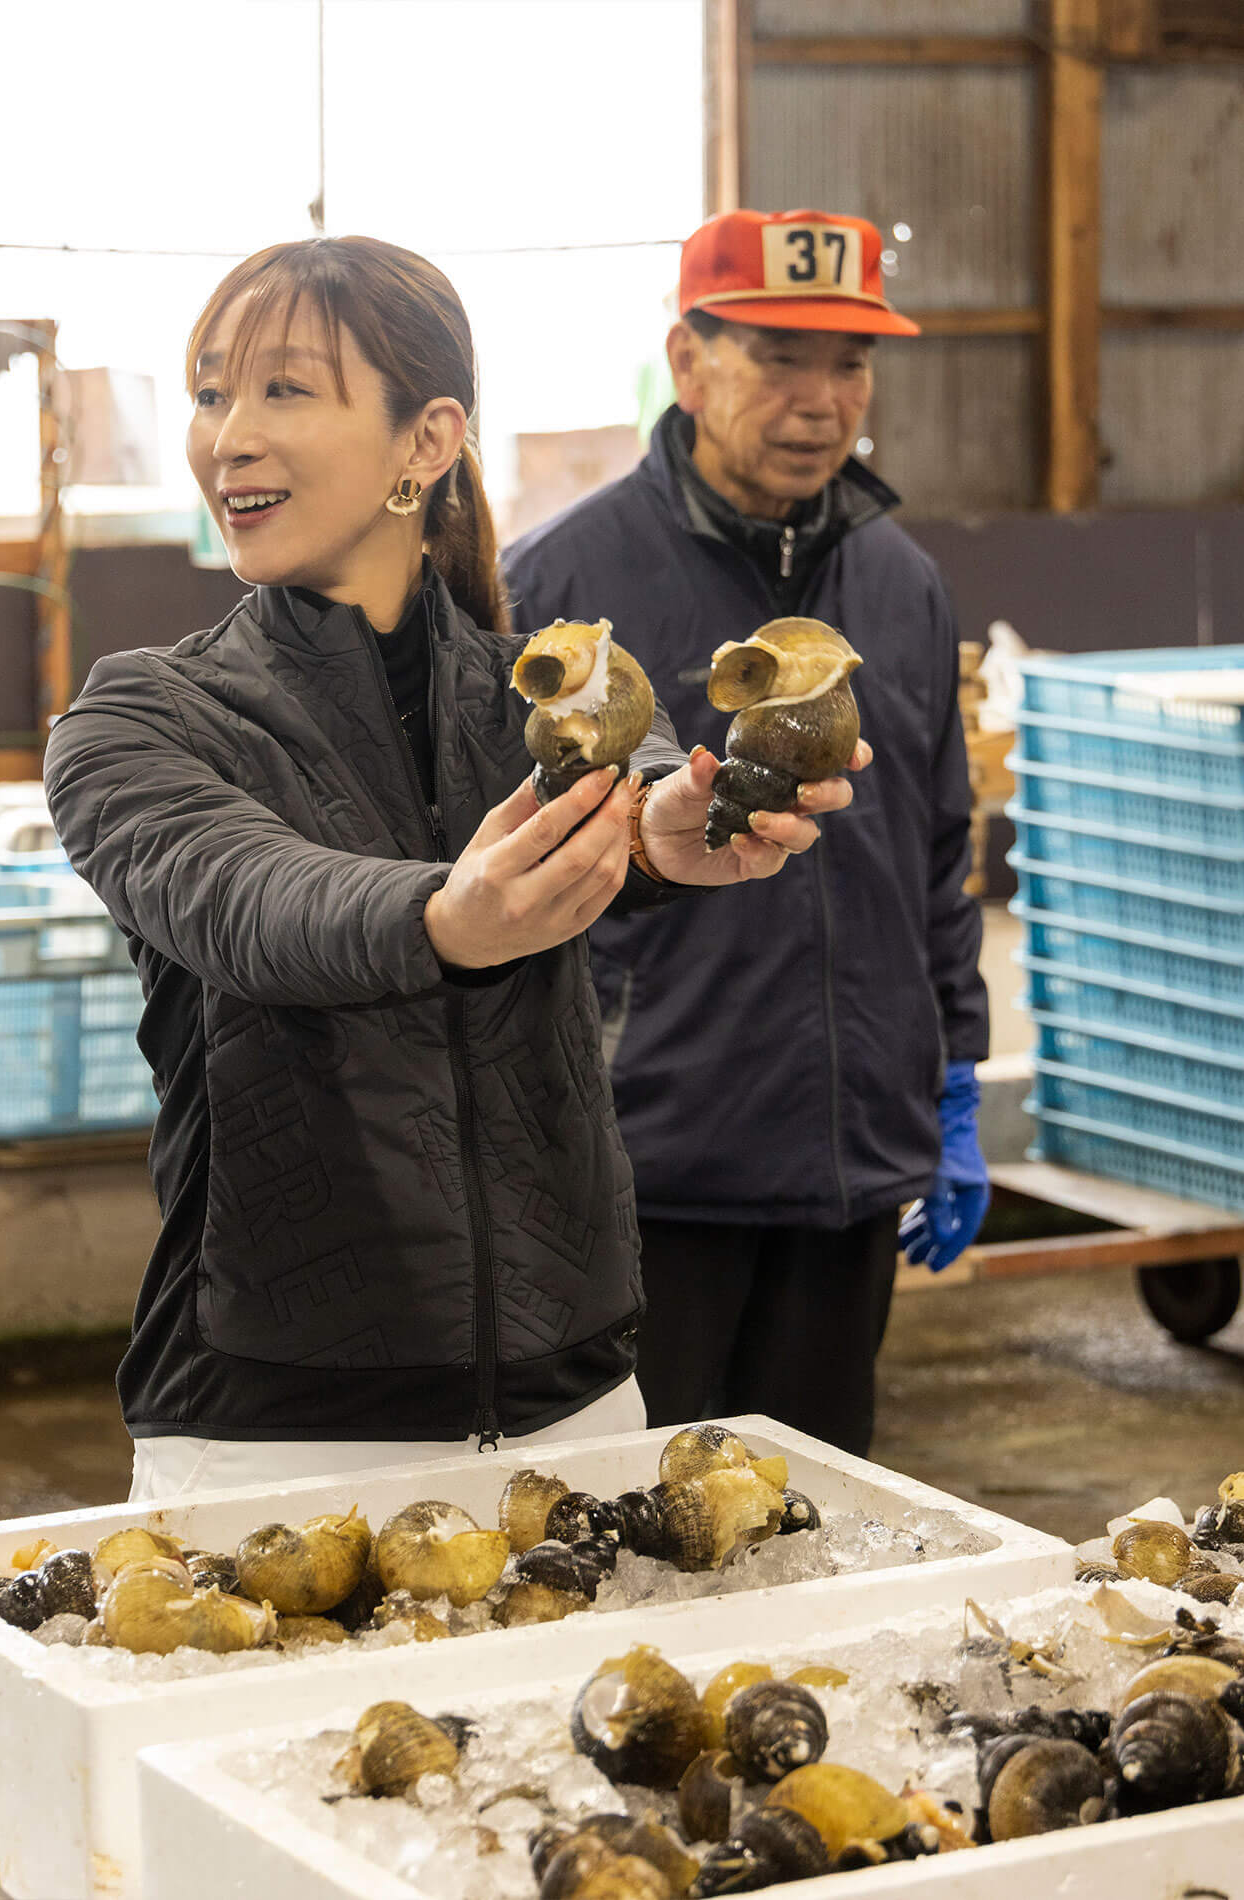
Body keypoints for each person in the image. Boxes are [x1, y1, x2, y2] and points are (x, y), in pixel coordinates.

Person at [43, 235, 868, 1502]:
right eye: (213, 393)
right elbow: (253, 902)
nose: (228, 439)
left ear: (425, 443)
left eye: (284, 391)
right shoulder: (137, 720)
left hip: (578, 1413)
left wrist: (666, 837)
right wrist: (444, 916)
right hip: (269, 1443)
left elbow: (642, 793)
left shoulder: (538, 684)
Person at [504, 208, 990, 1459]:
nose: (820, 401)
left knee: (817, 1528)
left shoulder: (903, 584)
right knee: (633, 1534)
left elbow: (938, 849)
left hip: (851, 1166)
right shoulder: (557, 588)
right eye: (780, 357)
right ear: (688, 360)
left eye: (849, 364)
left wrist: (951, 1080)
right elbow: (491, 876)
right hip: (648, 1174)